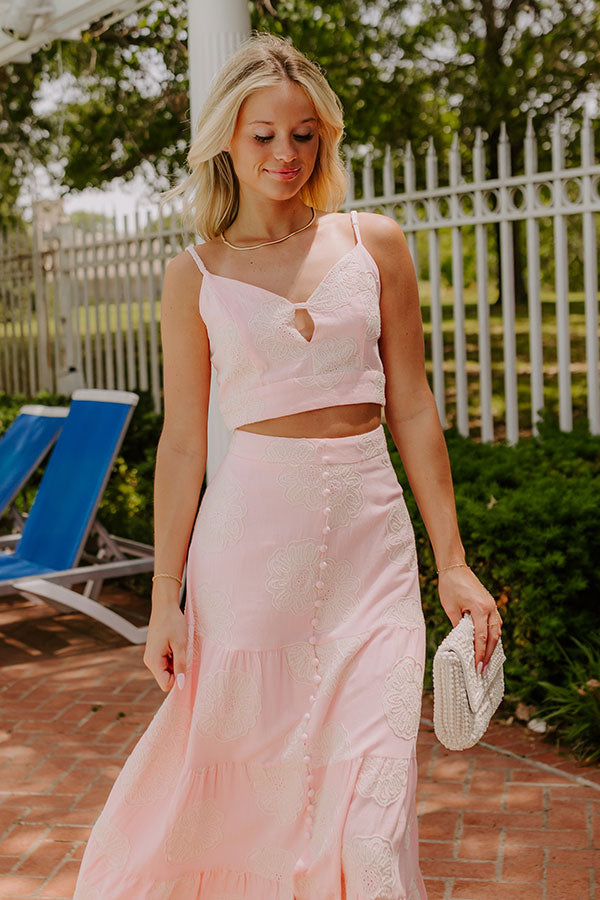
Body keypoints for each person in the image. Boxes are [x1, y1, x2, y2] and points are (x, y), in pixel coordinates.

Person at [73, 29, 502, 900]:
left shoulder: (374, 243)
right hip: (249, 553)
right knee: (246, 770)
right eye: (264, 134)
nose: (286, 154)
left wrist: (451, 562)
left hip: (371, 544)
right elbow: (184, 444)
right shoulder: (193, 275)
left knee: (374, 780)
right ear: (227, 141)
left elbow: (412, 405)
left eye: (304, 134)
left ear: (325, 138)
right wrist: (164, 600)